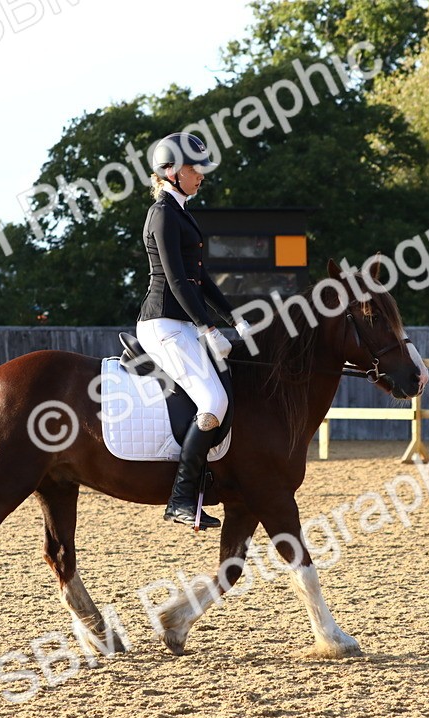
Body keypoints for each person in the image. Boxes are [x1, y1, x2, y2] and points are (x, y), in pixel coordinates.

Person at [137, 132, 250, 529]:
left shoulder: (181, 212)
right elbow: (178, 281)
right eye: (192, 169)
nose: (199, 175)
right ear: (169, 172)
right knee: (213, 403)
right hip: (164, 324)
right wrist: (207, 327)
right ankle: (182, 498)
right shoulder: (164, 214)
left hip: (180, 322)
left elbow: (201, 278)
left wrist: (234, 318)